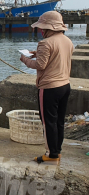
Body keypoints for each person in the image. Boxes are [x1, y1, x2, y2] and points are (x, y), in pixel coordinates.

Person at [20, 11, 74, 164]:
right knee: (59, 121)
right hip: (65, 85)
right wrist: (38, 53)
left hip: (49, 88)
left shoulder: (45, 43)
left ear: (49, 28)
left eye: (42, 28)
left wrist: (25, 59)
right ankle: (57, 151)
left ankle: (50, 155)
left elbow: (40, 65)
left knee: (48, 122)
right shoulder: (67, 41)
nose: (41, 31)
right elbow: (58, 55)